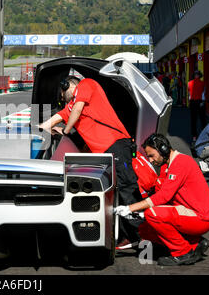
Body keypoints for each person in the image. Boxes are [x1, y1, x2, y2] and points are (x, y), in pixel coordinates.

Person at [39, 76, 142, 249]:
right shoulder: (69, 108)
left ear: (67, 85)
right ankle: (129, 235)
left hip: (115, 144)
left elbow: (77, 110)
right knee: (117, 193)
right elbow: (50, 122)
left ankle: (141, 234)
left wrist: (65, 130)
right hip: (105, 152)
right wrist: (39, 129)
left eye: (63, 94)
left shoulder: (86, 84)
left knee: (127, 189)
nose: (63, 99)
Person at [114, 133, 209, 266]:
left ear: (163, 149)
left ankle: (182, 252)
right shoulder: (166, 166)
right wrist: (139, 213)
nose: (151, 160)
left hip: (201, 217)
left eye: (151, 155)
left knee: (153, 215)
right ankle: (195, 243)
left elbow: (163, 196)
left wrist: (130, 208)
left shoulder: (181, 162)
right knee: (144, 230)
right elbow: (162, 198)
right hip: (188, 213)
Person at [188, 70, 206, 143]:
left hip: (193, 102)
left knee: (193, 119)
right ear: (200, 75)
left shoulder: (189, 83)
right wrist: (203, 102)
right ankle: (204, 135)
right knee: (202, 119)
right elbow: (203, 94)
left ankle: (194, 136)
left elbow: (189, 94)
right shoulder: (202, 83)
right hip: (200, 102)